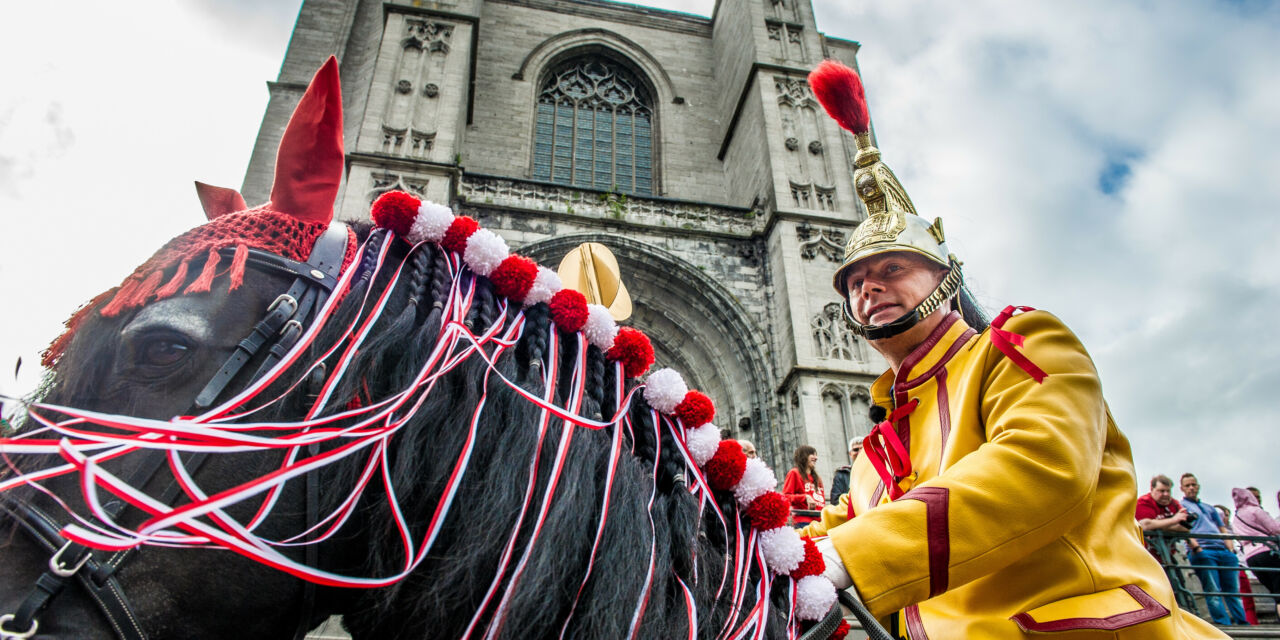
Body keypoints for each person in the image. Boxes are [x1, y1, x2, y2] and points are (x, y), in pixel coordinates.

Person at [795, 59, 1225, 638]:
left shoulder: (1022, 343)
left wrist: (853, 556)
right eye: (854, 283)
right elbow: (821, 535)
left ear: (946, 280)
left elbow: (1041, 465)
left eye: (892, 268)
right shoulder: (874, 453)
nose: (868, 286)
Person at [1179, 473, 1248, 625]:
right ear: (1182, 488)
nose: (1191, 488)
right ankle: (1223, 623)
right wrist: (1196, 547)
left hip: (1223, 550)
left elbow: (1221, 527)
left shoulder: (1209, 507)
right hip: (1203, 550)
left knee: (1233, 591)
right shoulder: (1181, 507)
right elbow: (1183, 528)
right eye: (1188, 485)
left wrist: (1229, 547)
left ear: (1198, 486)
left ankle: (1242, 621)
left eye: (1193, 484)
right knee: (1213, 590)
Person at [1232, 487, 1280, 621]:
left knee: (1274, 591)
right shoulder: (1255, 511)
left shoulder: (1236, 518)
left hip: (1250, 558)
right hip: (1267, 551)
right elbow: (1275, 528)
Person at [1216, 504, 1259, 625]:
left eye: (1227, 515)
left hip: (1241, 566)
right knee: (1240, 597)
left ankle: (1250, 622)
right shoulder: (1219, 533)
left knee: (1244, 598)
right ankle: (1247, 622)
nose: (1225, 518)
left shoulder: (1234, 529)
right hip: (1234, 566)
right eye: (1223, 515)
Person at [1135, 474, 1190, 560]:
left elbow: (1185, 527)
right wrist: (1174, 520)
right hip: (1146, 555)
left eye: (1168, 491)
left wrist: (1157, 525)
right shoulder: (1143, 502)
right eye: (1162, 491)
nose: (1166, 494)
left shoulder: (1174, 503)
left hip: (1168, 554)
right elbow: (1144, 525)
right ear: (1152, 489)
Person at [782, 445, 824, 527]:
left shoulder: (818, 479)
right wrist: (804, 498)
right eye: (812, 454)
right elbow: (785, 497)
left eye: (816, 455)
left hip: (820, 522)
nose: (816, 458)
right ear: (803, 456)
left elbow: (822, 501)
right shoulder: (794, 473)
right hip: (803, 521)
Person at [828, 437, 863, 504]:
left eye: (863, 449)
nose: (860, 452)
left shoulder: (877, 471)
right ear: (850, 454)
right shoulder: (842, 474)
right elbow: (835, 501)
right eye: (856, 449)